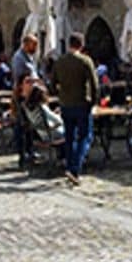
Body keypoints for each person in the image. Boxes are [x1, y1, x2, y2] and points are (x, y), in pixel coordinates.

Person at [51, 33, 100, 186]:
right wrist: (93, 102)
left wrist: (60, 95)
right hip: (81, 104)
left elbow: (53, 83)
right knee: (85, 136)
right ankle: (75, 169)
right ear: (81, 45)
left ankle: (69, 165)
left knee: (70, 137)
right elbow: (94, 85)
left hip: (66, 104)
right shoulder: (85, 61)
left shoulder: (59, 62)